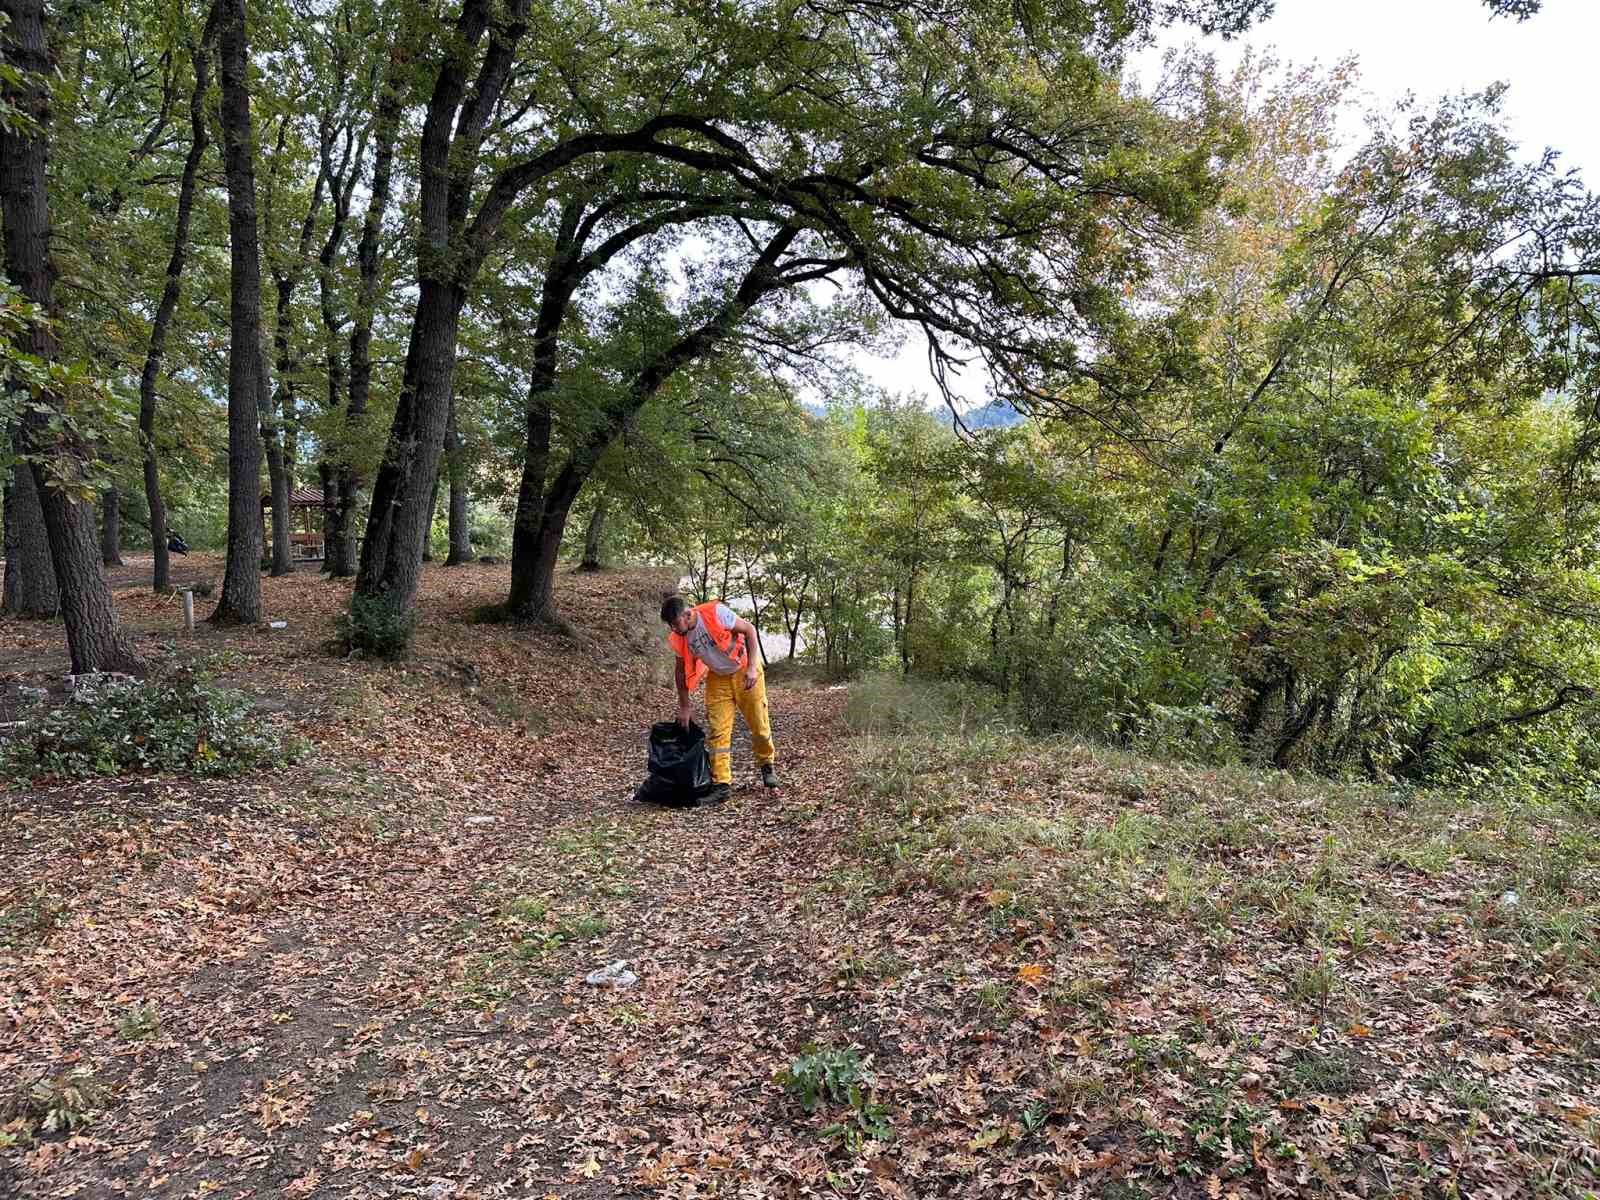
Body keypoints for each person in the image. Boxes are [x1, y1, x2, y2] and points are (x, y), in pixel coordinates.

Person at [661, 593, 778, 804]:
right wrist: (685, 707)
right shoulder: (680, 637)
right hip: (718, 678)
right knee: (718, 731)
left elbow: (749, 630)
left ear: (687, 614)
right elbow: (680, 672)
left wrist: (752, 667)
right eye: (670, 625)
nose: (674, 629)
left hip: (744, 670)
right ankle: (722, 784)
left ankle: (767, 765)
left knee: (759, 725)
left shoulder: (716, 613)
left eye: (675, 623)